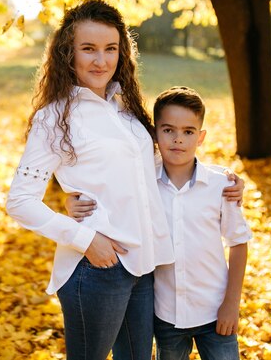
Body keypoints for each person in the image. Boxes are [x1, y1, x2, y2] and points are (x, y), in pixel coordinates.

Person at [6, 0, 244, 360]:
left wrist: (220, 179)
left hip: (145, 265)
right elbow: (20, 202)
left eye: (110, 49)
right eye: (89, 49)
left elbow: (149, 170)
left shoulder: (125, 107)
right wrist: (86, 239)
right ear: (68, 53)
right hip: (96, 268)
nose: (101, 60)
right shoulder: (53, 118)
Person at [67, 86, 252, 360]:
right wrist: (71, 201)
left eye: (188, 132)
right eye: (168, 130)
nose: (178, 139)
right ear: (154, 134)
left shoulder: (221, 186)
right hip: (166, 316)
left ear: (200, 137)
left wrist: (231, 304)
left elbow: (238, 243)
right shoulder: (140, 182)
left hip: (215, 313)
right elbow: (103, 191)